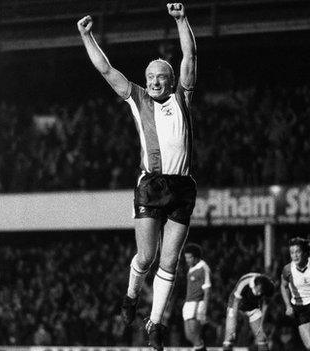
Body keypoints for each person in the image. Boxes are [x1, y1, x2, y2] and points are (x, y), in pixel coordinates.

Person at [77, 3, 197, 350]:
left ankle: (155, 324)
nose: (155, 82)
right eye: (150, 78)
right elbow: (105, 69)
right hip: (151, 186)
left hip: (182, 186)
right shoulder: (137, 98)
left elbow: (189, 54)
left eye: (161, 77)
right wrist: (87, 36)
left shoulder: (183, 97)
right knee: (145, 258)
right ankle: (131, 295)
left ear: (171, 80)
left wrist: (181, 19)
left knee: (170, 260)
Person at [222, 273, 275, 351]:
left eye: (262, 292)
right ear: (255, 285)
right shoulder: (244, 282)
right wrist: (234, 325)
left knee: (261, 337)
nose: (260, 294)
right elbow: (236, 303)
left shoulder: (268, 286)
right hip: (235, 305)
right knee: (230, 337)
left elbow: (265, 306)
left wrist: (261, 325)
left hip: (253, 307)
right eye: (259, 291)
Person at [182, 244, 211, 351]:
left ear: (197, 257)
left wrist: (204, 309)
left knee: (195, 334)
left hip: (197, 303)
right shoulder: (191, 268)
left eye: (190, 257)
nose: (187, 260)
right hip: (188, 303)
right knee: (189, 336)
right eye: (186, 257)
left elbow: (207, 290)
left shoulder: (203, 268)